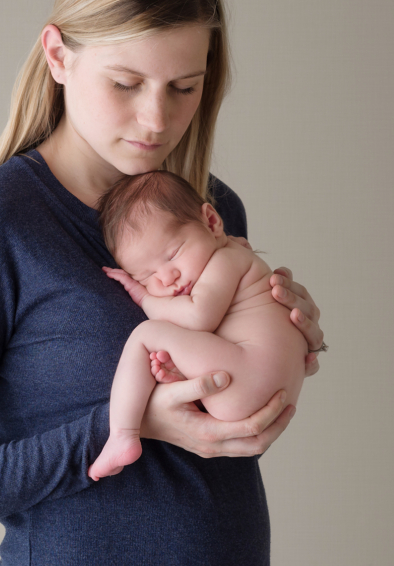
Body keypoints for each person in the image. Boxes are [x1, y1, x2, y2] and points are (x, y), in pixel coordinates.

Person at [0, 0, 325, 565]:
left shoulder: (213, 209)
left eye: (184, 87)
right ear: (59, 57)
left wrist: (282, 331)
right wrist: (121, 427)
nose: (156, 120)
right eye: (125, 83)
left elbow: (218, 414)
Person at [89, 170, 308, 482]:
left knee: (145, 335)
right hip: (262, 383)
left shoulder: (227, 259)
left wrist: (143, 296)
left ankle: (122, 434)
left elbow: (197, 317)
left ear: (212, 222)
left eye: (173, 254)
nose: (166, 279)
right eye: (145, 276)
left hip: (250, 374)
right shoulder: (227, 258)